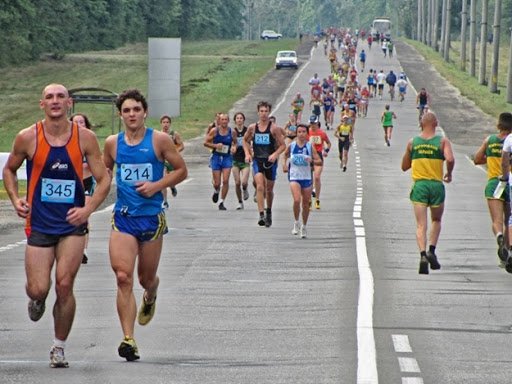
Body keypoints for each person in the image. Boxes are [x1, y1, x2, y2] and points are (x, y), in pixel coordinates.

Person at [2, 83, 110, 368]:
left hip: (72, 224)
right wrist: (15, 199)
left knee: (64, 284)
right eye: (49, 97)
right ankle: (36, 300)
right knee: (39, 288)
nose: (55, 101)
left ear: (69, 103)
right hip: (39, 222)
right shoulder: (28, 137)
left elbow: (104, 179)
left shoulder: (84, 138)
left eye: (60, 96)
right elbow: (9, 169)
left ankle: (59, 346)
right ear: (42, 104)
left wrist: (87, 209)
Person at [103, 89, 187, 361]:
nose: (131, 115)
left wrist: (156, 186)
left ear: (145, 112)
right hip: (123, 218)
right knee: (123, 277)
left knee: (144, 278)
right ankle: (129, 339)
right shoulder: (112, 143)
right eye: (126, 110)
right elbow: (102, 173)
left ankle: (151, 294)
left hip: (151, 220)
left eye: (136, 110)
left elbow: (181, 170)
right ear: (120, 114)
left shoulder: (159, 140)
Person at [401, 112, 454, 275]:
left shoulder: (413, 143)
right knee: (436, 219)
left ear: (421, 124)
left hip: (420, 185)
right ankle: (432, 249)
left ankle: (423, 254)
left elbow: (404, 166)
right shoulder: (442, 142)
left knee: (421, 225)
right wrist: (448, 173)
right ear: (436, 123)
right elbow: (450, 159)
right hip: (436, 185)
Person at [474, 112, 512, 268]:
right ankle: (507, 254)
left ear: (499, 125)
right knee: (508, 220)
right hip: (509, 183)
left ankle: (499, 236)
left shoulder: (489, 141)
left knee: (496, 221)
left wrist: (489, 160)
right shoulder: (510, 142)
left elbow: (477, 159)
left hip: (494, 184)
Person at [243, 101, 285, 227]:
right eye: (261, 111)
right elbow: (245, 141)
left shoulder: (274, 128)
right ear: (258, 112)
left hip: (270, 162)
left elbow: (283, 145)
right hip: (258, 160)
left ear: (269, 112)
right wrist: (248, 154)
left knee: (269, 189)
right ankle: (261, 215)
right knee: (260, 186)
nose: (264, 114)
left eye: (266, 111)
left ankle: (269, 211)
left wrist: (275, 154)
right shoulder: (252, 128)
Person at [282, 124, 321, 238]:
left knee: (305, 203)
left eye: (304, 132)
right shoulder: (292, 146)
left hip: (307, 177)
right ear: (297, 133)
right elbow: (284, 156)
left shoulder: (310, 147)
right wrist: (284, 165)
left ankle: (304, 226)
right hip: (294, 176)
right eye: (299, 132)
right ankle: (296, 222)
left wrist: (312, 160)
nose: (301, 134)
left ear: (307, 133)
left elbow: (319, 161)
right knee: (296, 200)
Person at [70, 113, 95, 264]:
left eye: (82, 122)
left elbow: (96, 164)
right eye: (76, 122)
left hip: (86, 182)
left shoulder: (89, 141)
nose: (79, 124)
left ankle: (83, 250)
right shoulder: (65, 142)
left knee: (83, 216)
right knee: (71, 216)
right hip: (71, 184)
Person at [204, 113, 236, 210]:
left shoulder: (232, 132)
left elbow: (235, 142)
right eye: (222, 119)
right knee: (217, 183)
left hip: (227, 157)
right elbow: (205, 143)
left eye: (226, 119)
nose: (224, 121)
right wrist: (215, 146)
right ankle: (216, 191)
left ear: (228, 121)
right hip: (216, 157)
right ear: (219, 121)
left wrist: (234, 147)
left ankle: (222, 202)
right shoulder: (214, 131)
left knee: (225, 180)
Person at [307, 115, 331, 209]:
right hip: (308, 156)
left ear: (317, 123)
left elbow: (328, 143)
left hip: (318, 157)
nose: (312, 125)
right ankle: (309, 201)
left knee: (316, 177)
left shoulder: (322, 133)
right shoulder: (307, 132)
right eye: (311, 123)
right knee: (309, 179)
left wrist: (326, 151)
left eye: (314, 123)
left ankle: (317, 199)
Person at [160, 115, 184, 207]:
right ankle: (165, 201)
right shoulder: (158, 134)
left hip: (172, 160)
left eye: (167, 122)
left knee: (170, 180)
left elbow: (181, 146)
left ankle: (173, 187)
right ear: (161, 124)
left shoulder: (174, 134)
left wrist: (175, 152)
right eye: (164, 122)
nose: (165, 124)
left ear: (170, 124)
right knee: (164, 179)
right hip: (162, 160)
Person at [232, 112, 251, 210]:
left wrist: (250, 151)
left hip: (245, 159)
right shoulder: (232, 131)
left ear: (243, 120)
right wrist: (232, 147)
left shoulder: (247, 131)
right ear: (235, 120)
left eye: (241, 118)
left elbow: (251, 143)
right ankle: (240, 202)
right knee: (237, 182)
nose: (239, 120)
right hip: (235, 159)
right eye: (237, 118)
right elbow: (230, 143)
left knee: (243, 182)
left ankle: (245, 189)